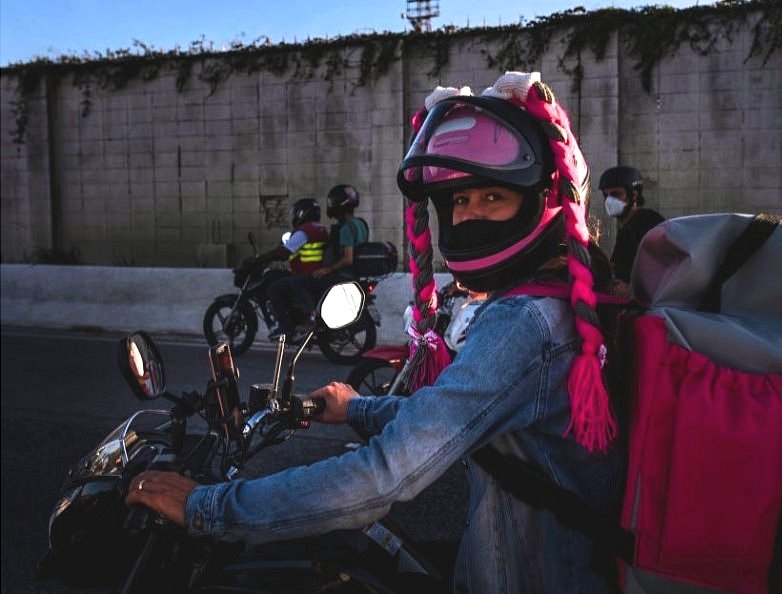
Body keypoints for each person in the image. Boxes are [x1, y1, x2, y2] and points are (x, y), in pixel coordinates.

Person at [125, 72, 624, 594]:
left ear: (540, 197)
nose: (469, 215)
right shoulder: (556, 303)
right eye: (457, 201)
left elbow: (385, 474)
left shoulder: (523, 321)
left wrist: (208, 507)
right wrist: (359, 408)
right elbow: (457, 413)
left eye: (491, 196)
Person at [265, 184, 369, 342]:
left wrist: (328, 269)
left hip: (341, 275)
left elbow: (348, 258)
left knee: (296, 283)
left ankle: (311, 318)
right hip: (353, 275)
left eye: (333, 202)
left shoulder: (346, 228)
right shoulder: (361, 224)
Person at [244, 197, 330, 342]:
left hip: (306, 275)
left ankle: (285, 327)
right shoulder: (320, 229)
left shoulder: (304, 231)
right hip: (312, 272)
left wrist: (260, 259)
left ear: (301, 213)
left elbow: (284, 252)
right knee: (272, 275)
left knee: (273, 288)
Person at [598, 165, 665, 297]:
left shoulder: (648, 223)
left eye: (616, 194)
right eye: (606, 195)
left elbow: (663, 271)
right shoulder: (626, 229)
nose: (609, 201)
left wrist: (632, 290)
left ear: (634, 195)